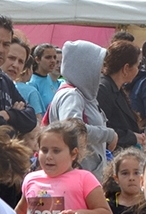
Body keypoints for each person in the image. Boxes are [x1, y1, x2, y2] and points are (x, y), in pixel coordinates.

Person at [49, 40, 120, 177]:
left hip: (86, 178)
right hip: (78, 180)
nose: (102, 71)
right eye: (99, 65)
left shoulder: (83, 95)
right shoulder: (71, 95)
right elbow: (73, 130)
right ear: (85, 66)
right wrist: (109, 134)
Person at [97, 40, 144, 150]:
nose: (139, 70)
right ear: (126, 68)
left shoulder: (115, 87)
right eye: (137, 65)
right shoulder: (103, 89)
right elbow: (102, 128)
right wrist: (132, 137)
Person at [27, 43, 61, 115]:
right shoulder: (32, 83)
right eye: (48, 57)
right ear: (37, 60)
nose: (53, 61)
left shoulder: (50, 79)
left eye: (54, 57)